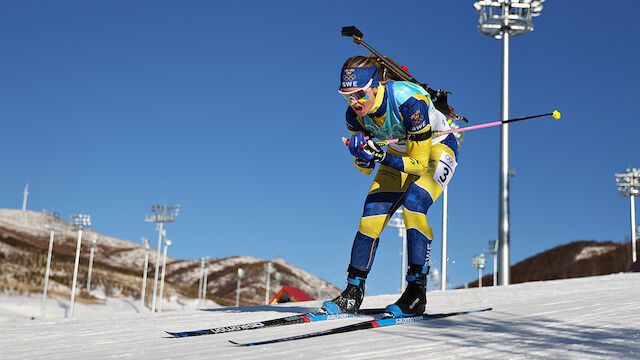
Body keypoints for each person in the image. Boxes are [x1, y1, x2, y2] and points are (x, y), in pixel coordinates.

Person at [321, 55, 459, 317]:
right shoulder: (354, 116)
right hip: (396, 154)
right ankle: (353, 291)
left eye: (360, 94)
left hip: (435, 149)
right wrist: (360, 154)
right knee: (369, 218)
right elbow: (364, 168)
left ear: (375, 86)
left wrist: (380, 155)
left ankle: (416, 293)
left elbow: (418, 165)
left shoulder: (409, 102)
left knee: (414, 204)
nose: (354, 102)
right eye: (347, 96)